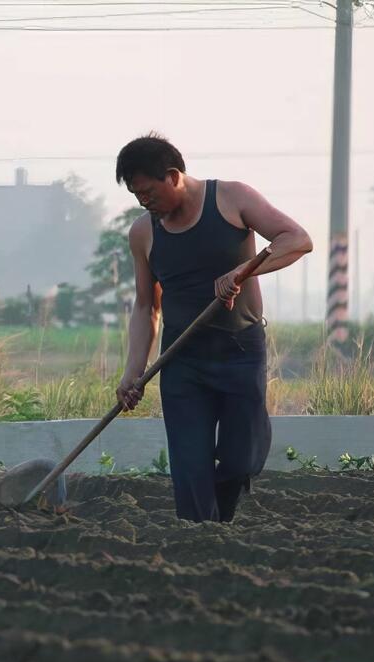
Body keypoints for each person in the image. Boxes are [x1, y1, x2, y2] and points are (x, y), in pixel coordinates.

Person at [114, 134, 313, 523]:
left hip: (240, 350)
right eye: (137, 196)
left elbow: (297, 239)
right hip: (182, 360)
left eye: (149, 193)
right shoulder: (143, 233)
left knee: (242, 458)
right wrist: (132, 372)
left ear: (173, 176)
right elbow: (145, 306)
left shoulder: (232, 199)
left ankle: (218, 524)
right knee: (190, 467)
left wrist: (244, 269)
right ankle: (197, 538)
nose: (145, 203)